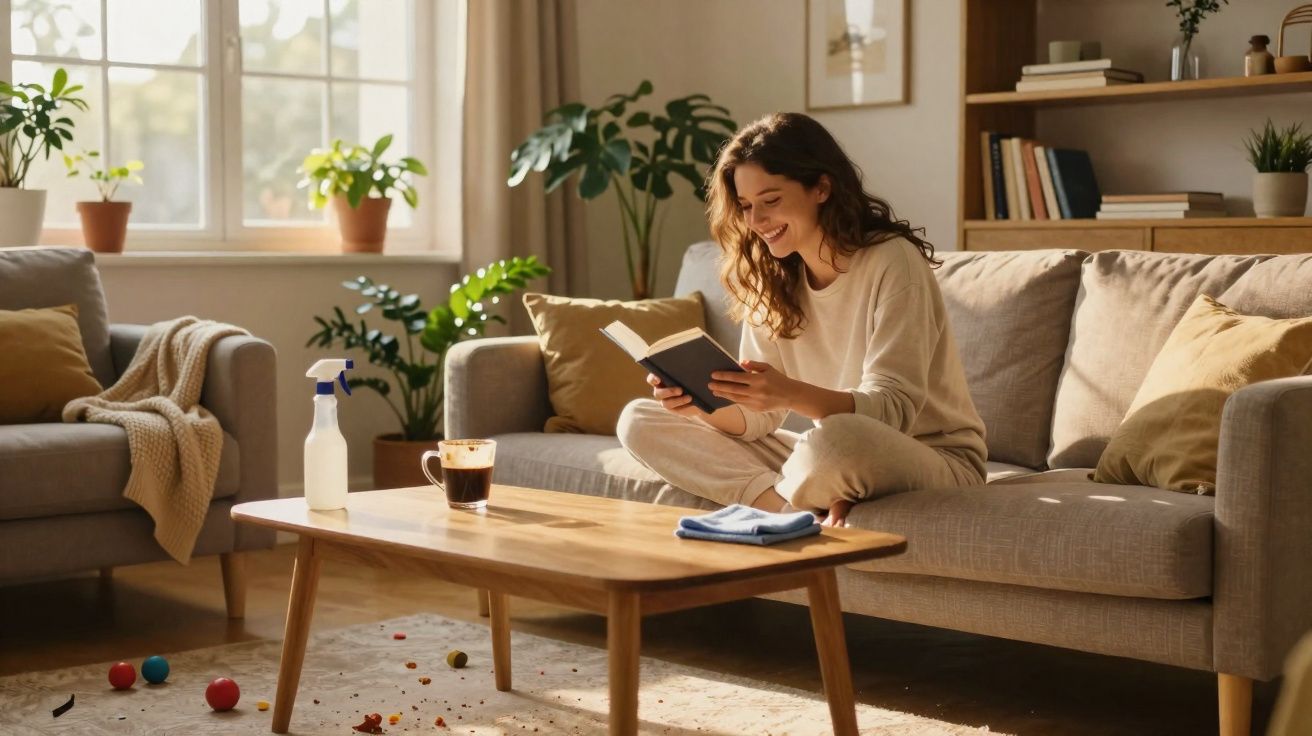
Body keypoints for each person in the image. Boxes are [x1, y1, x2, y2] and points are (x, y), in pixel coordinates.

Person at [616, 112, 986, 528]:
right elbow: (756, 420)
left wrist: (788, 393)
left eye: (770, 201)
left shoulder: (891, 261)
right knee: (639, 419)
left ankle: (788, 499)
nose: (756, 222)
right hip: (828, 451)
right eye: (746, 207)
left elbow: (893, 410)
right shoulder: (772, 278)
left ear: (822, 188)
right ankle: (788, 508)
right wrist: (700, 407)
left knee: (833, 443)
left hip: (929, 455)